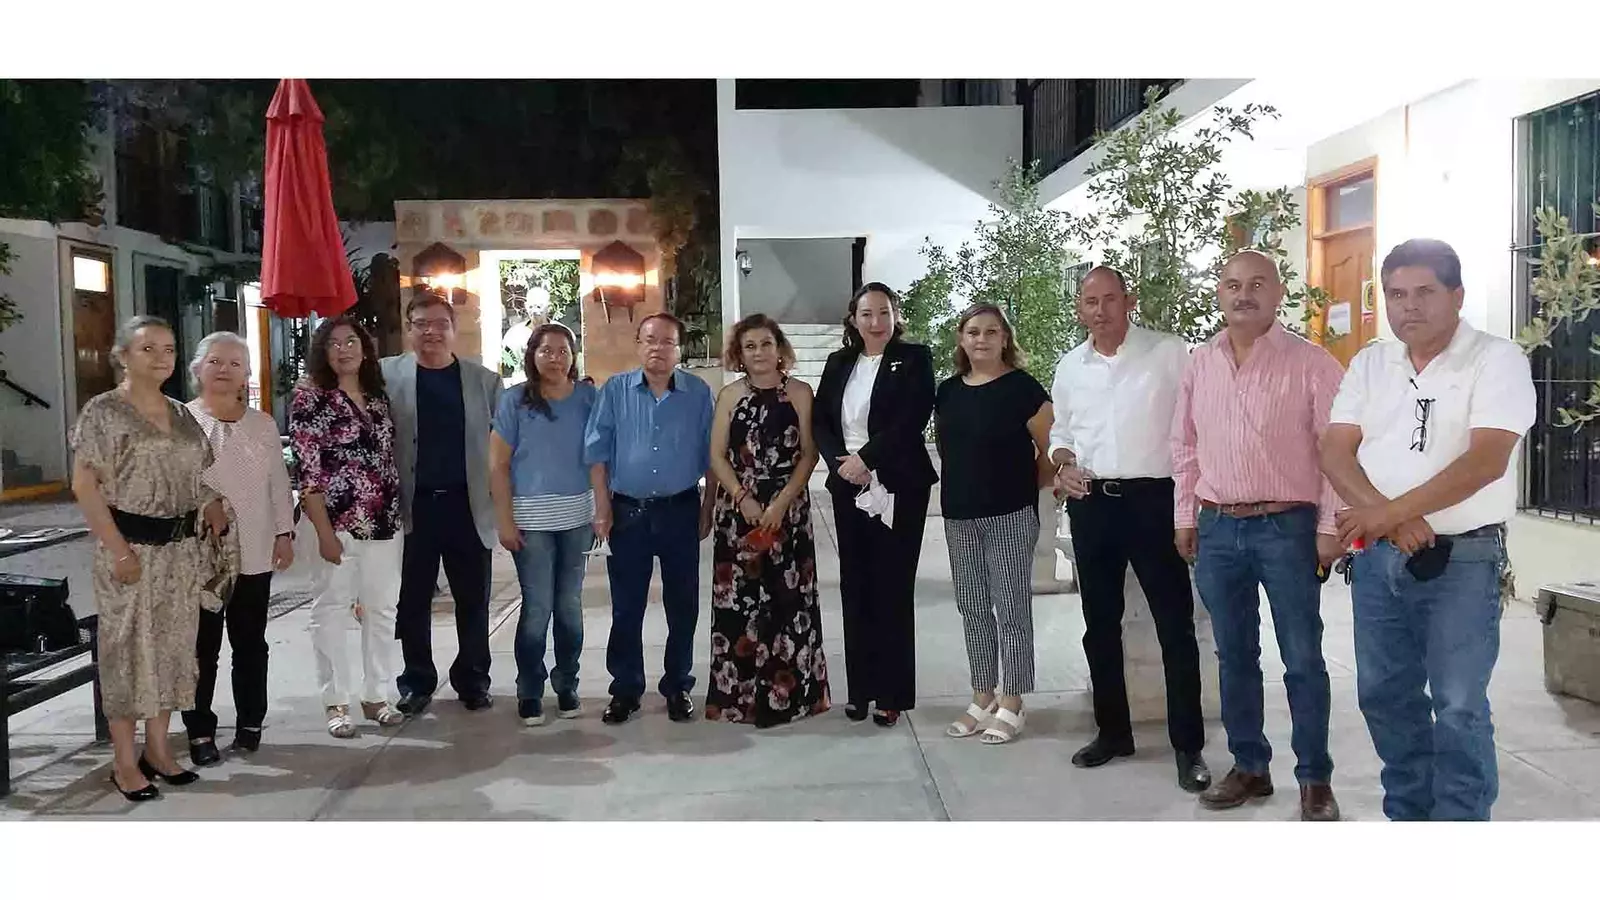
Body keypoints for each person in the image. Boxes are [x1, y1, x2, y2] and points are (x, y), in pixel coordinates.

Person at [1320, 239, 1536, 821]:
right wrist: (1388, 519)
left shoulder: (1496, 359)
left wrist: (1383, 515)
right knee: (1384, 695)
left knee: (1459, 704)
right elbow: (1335, 451)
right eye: (1396, 294)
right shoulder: (1372, 363)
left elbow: (1485, 461)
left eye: (1424, 292)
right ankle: (1409, 819)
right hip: (1377, 559)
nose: (1408, 306)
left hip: (1463, 560)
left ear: (1457, 296)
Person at [1171, 251, 1346, 820]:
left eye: (1256, 284)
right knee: (1234, 656)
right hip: (1218, 527)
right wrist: (1185, 516)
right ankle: (1249, 766)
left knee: (1302, 656)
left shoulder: (1312, 363)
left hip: (1287, 529)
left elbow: (1337, 453)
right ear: (1219, 293)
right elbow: (1185, 445)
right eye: (1232, 284)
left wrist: (1329, 527)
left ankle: (1315, 778)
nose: (1243, 294)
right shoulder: (1200, 363)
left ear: (1277, 292)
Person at [1049, 266, 1211, 792]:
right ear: (1080, 308)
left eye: (1110, 299)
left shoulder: (1169, 353)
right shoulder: (1070, 366)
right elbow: (1062, 430)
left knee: (1174, 626)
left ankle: (1188, 746)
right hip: (1092, 503)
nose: (1100, 310)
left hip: (1154, 501)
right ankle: (1113, 732)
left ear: (1129, 300)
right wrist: (1062, 462)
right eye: (1090, 301)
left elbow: (1195, 425)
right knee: (1099, 626)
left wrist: (1191, 505)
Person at [70, 316, 228, 802]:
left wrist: (211, 505)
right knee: (126, 654)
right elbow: (85, 485)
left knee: (173, 651)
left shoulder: (181, 414)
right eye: (148, 349)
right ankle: (124, 761)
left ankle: (158, 750)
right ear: (123, 356)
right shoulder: (104, 412)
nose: (161, 358)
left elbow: (200, 474)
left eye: (169, 349)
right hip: (130, 550)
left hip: (180, 554)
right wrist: (119, 550)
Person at [813, 282, 937, 727]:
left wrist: (866, 459)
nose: (876, 322)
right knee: (856, 586)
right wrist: (842, 463)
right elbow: (821, 420)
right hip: (849, 483)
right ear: (854, 319)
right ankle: (861, 690)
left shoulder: (914, 358)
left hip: (899, 484)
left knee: (892, 587)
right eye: (867, 314)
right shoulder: (839, 362)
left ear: (895, 316)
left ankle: (892, 693)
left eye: (884, 312)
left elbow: (911, 418)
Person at [583, 311, 715, 724]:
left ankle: (678, 685)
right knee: (626, 606)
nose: (659, 348)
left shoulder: (698, 393)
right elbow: (597, 453)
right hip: (629, 512)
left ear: (680, 349)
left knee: (683, 604)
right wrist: (602, 509)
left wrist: (708, 507)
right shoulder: (615, 390)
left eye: (668, 342)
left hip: (681, 509)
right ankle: (626, 688)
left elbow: (712, 455)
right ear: (638, 345)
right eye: (650, 340)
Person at [934, 304, 1053, 745]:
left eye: (990, 332)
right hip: (959, 515)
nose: (981, 339)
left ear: (1005, 339)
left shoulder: (1023, 389)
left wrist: (1021, 488)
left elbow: (1051, 449)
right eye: (973, 332)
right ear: (961, 339)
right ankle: (983, 694)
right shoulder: (947, 391)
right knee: (972, 606)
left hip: (1009, 516)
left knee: (1011, 609)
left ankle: (1013, 700)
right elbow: (949, 449)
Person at [382, 292, 505, 715]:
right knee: (413, 599)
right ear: (409, 328)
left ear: (454, 329)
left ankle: (473, 679)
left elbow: (504, 446)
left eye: (440, 324)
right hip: (411, 506)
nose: (431, 332)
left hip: (467, 505)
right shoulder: (385, 375)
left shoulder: (484, 382)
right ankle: (416, 681)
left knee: (473, 599)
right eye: (421, 323)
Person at [704, 314, 829, 727]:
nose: (758, 352)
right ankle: (738, 699)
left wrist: (779, 505)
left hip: (788, 509)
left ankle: (790, 698)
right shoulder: (729, 395)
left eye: (765, 344)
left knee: (788, 603)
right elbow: (716, 455)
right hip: (739, 513)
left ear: (780, 349)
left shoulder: (800, 393)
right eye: (750, 346)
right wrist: (743, 498)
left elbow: (809, 454)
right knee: (739, 605)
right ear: (739, 354)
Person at [182, 332, 296, 766]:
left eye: (235, 363)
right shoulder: (182, 421)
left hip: (254, 547)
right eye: (215, 361)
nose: (224, 369)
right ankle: (199, 730)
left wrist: (284, 533)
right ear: (198, 369)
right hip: (202, 555)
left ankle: (251, 722)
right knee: (202, 648)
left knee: (250, 643)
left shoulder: (262, 425)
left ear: (247, 373)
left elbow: (278, 484)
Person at [290, 316, 406, 738]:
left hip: (385, 521)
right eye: (334, 343)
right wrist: (323, 533)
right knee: (331, 611)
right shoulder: (310, 399)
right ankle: (335, 701)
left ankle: (377, 695)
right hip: (335, 523)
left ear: (365, 347)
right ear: (322, 352)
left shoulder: (377, 397)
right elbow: (308, 472)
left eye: (351, 341)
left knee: (382, 609)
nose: (344, 350)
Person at [490, 322, 605, 727]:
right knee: (537, 607)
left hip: (578, 518)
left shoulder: (589, 398)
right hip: (530, 521)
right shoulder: (514, 400)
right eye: (546, 351)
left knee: (569, 606)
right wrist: (504, 520)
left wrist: (601, 509)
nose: (555, 358)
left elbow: (600, 458)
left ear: (573, 357)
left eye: (563, 351)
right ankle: (530, 689)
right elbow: (498, 464)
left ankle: (567, 684)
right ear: (532, 356)